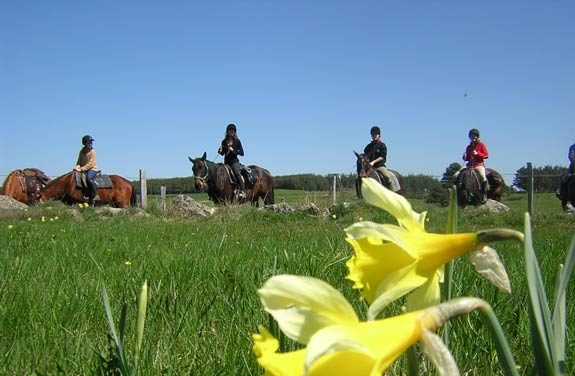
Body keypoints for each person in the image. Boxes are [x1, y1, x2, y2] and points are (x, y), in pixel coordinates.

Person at [363, 126, 398, 191]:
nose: (374, 136)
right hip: (369, 167)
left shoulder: (382, 145)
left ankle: (392, 192)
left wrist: (373, 162)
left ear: (379, 135)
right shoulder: (368, 147)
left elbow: (382, 157)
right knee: (360, 177)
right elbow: (365, 155)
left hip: (379, 166)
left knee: (387, 177)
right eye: (373, 134)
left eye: (376, 134)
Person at [218, 123, 246, 198]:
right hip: (226, 162)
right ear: (227, 131)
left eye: (233, 130)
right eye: (230, 130)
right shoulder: (224, 141)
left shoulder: (237, 141)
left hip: (234, 162)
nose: (231, 132)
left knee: (237, 173)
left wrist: (233, 150)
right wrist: (220, 151)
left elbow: (242, 153)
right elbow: (222, 153)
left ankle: (243, 191)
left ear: (235, 132)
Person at [462, 128, 489, 202]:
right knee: (456, 175)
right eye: (471, 136)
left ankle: (484, 194)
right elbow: (467, 158)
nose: (473, 137)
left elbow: (486, 155)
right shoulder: (468, 147)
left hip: (478, 165)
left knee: (483, 177)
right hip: (469, 165)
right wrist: (465, 156)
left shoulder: (481, 145)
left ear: (477, 136)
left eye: (474, 136)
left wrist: (478, 154)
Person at [74, 135, 100, 205]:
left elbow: (91, 164)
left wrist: (82, 168)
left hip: (92, 169)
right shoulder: (82, 151)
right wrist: (76, 167)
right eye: (89, 142)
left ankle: (95, 195)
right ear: (84, 143)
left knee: (88, 178)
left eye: (91, 142)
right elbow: (79, 161)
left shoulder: (93, 152)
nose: (90, 144)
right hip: (83, 169)